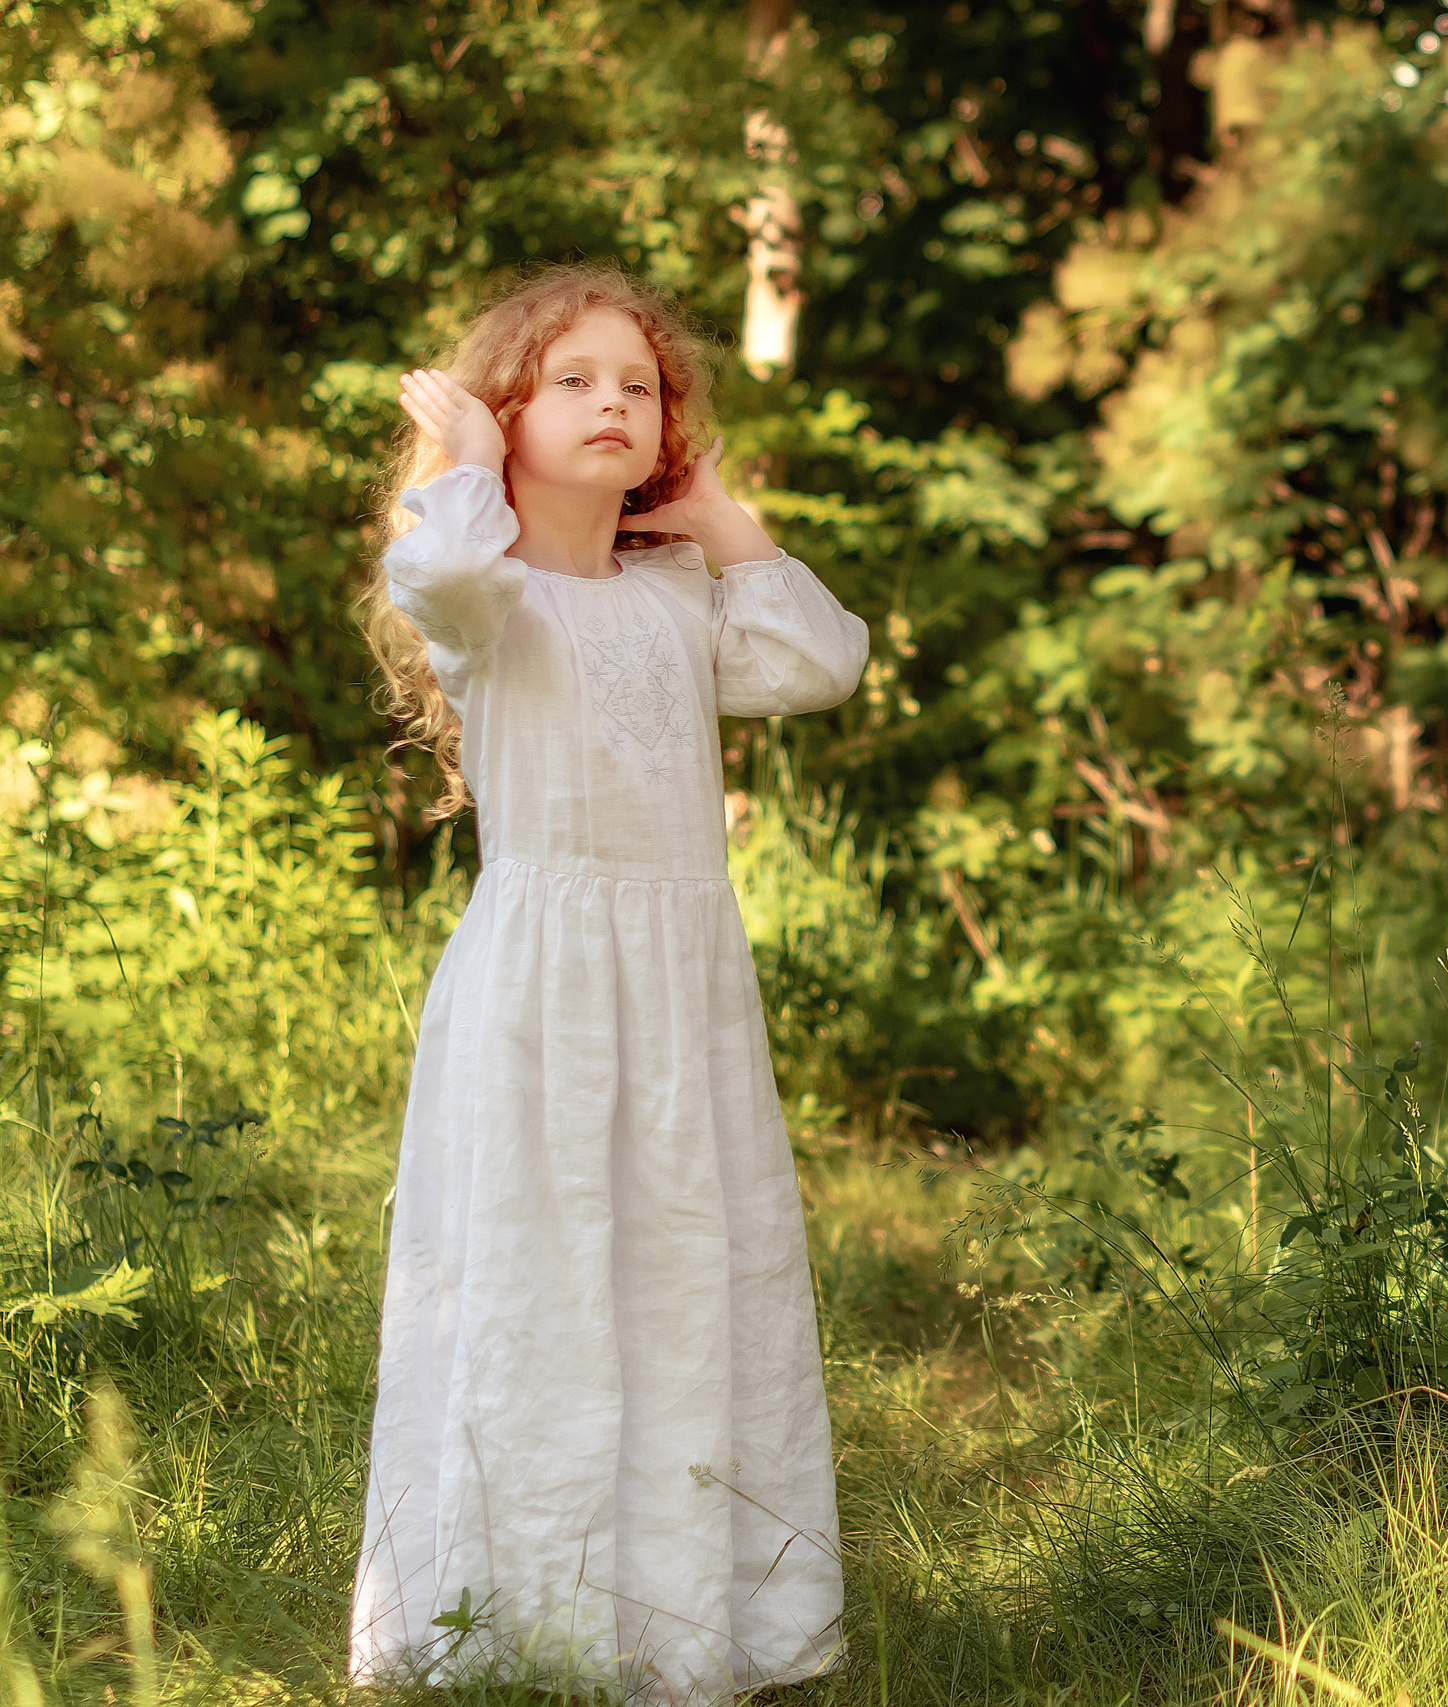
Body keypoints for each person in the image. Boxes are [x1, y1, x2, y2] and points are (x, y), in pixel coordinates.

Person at [349, 266, 861, 1700]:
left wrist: (725, 523)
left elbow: (817, 663)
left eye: (637, 383)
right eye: (570, 379)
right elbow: (436, 574)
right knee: (541, 1276)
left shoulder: (676, 597)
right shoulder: (492, 600)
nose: (612, 403)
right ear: (510, 416)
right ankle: (518, 1625)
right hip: (544, 1000)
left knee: (689, 1271)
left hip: (684, 994)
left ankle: (684, 1617)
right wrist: (456, 464)